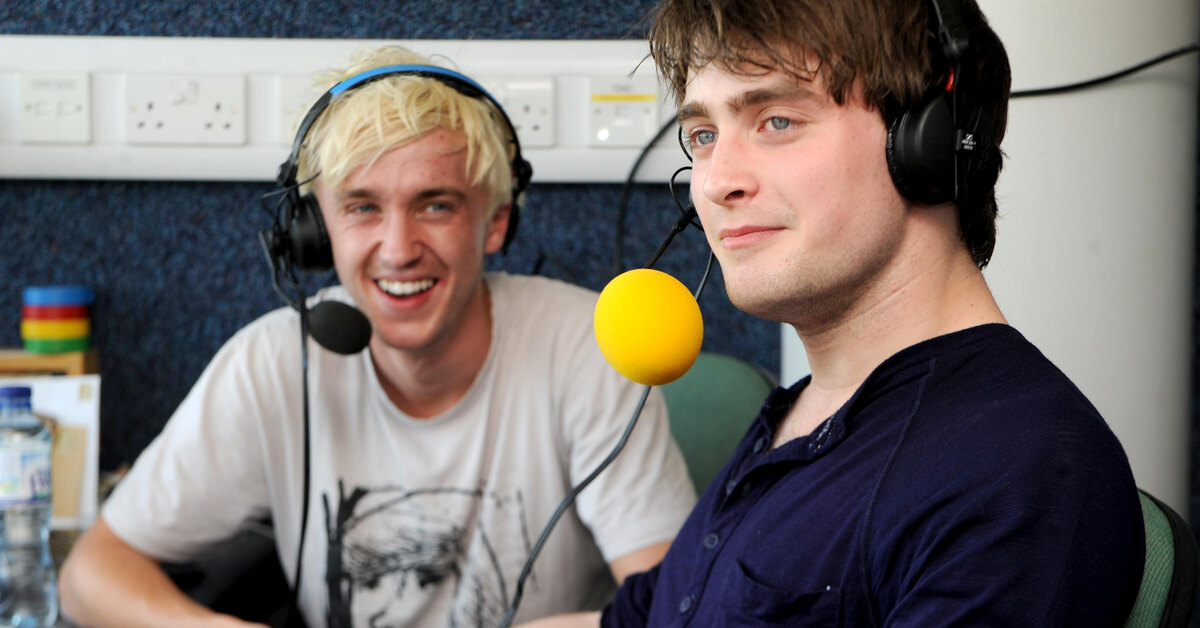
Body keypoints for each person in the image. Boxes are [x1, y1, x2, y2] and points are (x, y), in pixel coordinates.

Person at [523, 0, 1146, 626]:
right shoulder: (802, 415)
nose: (714, 183)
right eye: (704, 136)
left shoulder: (1016, 470)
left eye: (777, 121)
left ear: (928, 144)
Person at [58, 45, 696, 628]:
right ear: (316, 232)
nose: (398, 249)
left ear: (496, 223)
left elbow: (676, 609)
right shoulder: (275, 362)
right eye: (362, 207)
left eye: (436, 205)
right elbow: (90, 575)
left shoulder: (587, 348)